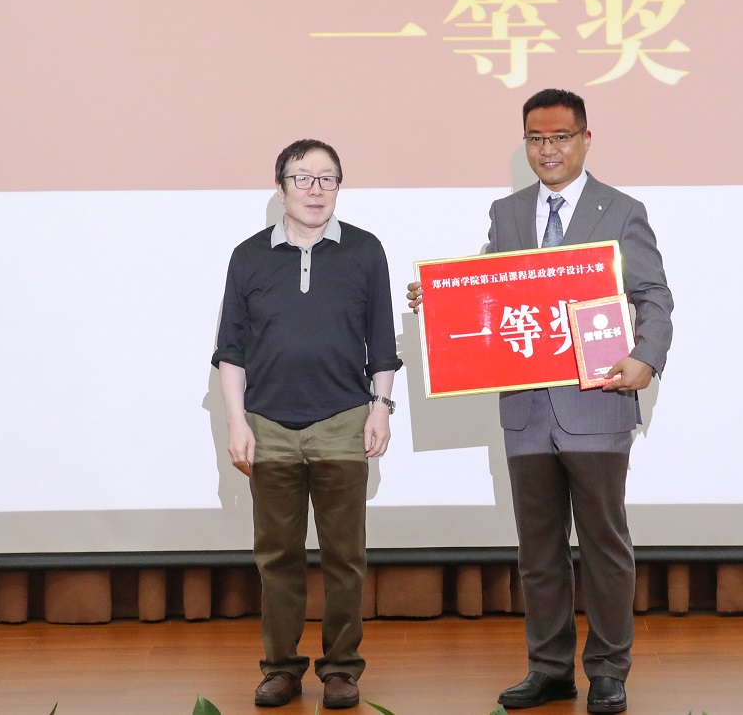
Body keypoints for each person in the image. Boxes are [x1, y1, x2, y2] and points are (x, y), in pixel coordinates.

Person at [408, 89, 673, 714]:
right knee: (538, 550)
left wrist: (647, 357)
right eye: (535, 138)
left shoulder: (622, 211)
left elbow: (654, 296)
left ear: (585, 139)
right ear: (524, 143)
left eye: (560, 137)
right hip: (526, 410)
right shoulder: (507, 213)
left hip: (598, 402)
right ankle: (550, 668)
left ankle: (607, 670)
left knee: (604, 545)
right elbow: (491, 290)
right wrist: (440, 300)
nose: (547, 149)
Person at [213, 138, 402, 710]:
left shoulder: (365, 250)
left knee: (345, 557)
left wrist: (381, 407)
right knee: (278, 558)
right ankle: (280, 668)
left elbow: (382, 341)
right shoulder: (248, 256)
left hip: (343, 420)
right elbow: (230, 350)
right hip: (267, 425)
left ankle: (341, 668)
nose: (315, 190)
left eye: (327, 179)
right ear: (281, 187)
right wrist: (236, 423)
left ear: (339, 187)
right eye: (303, 177)